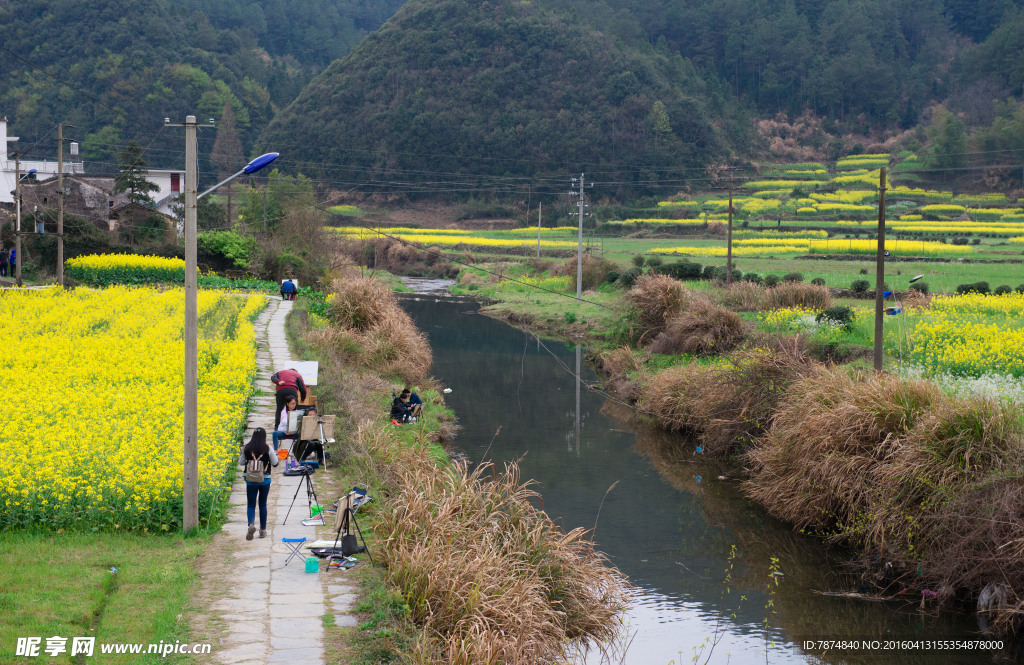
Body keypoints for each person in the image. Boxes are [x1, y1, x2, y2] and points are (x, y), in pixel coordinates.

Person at [243, 428, 279, 540]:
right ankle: (263, 530)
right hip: (265, 479)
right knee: (262, 504)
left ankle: (251, 525)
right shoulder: (268, 449)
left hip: (250, 480)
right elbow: (275, 463)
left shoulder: (247, 448)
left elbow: (240, 462)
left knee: (251, 504)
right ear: (264, 437)